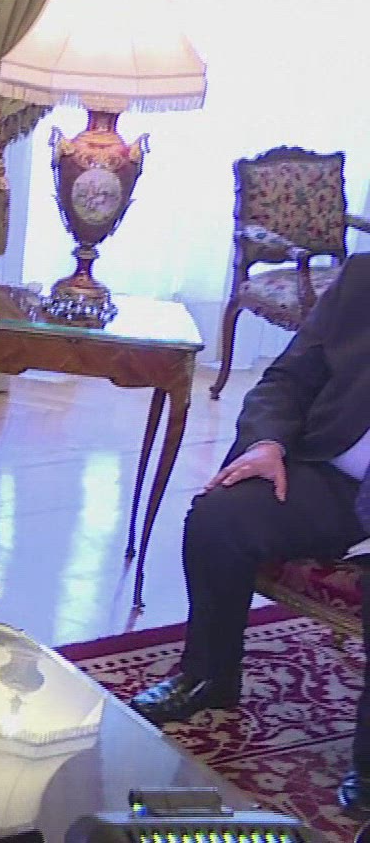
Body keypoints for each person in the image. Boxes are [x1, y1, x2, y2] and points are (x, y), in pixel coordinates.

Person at [129, 254, 370, 813]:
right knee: (221, 517)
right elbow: (288, 378)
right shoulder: (364, 279)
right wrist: (267, 443)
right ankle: (208, 674)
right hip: (335, 476)